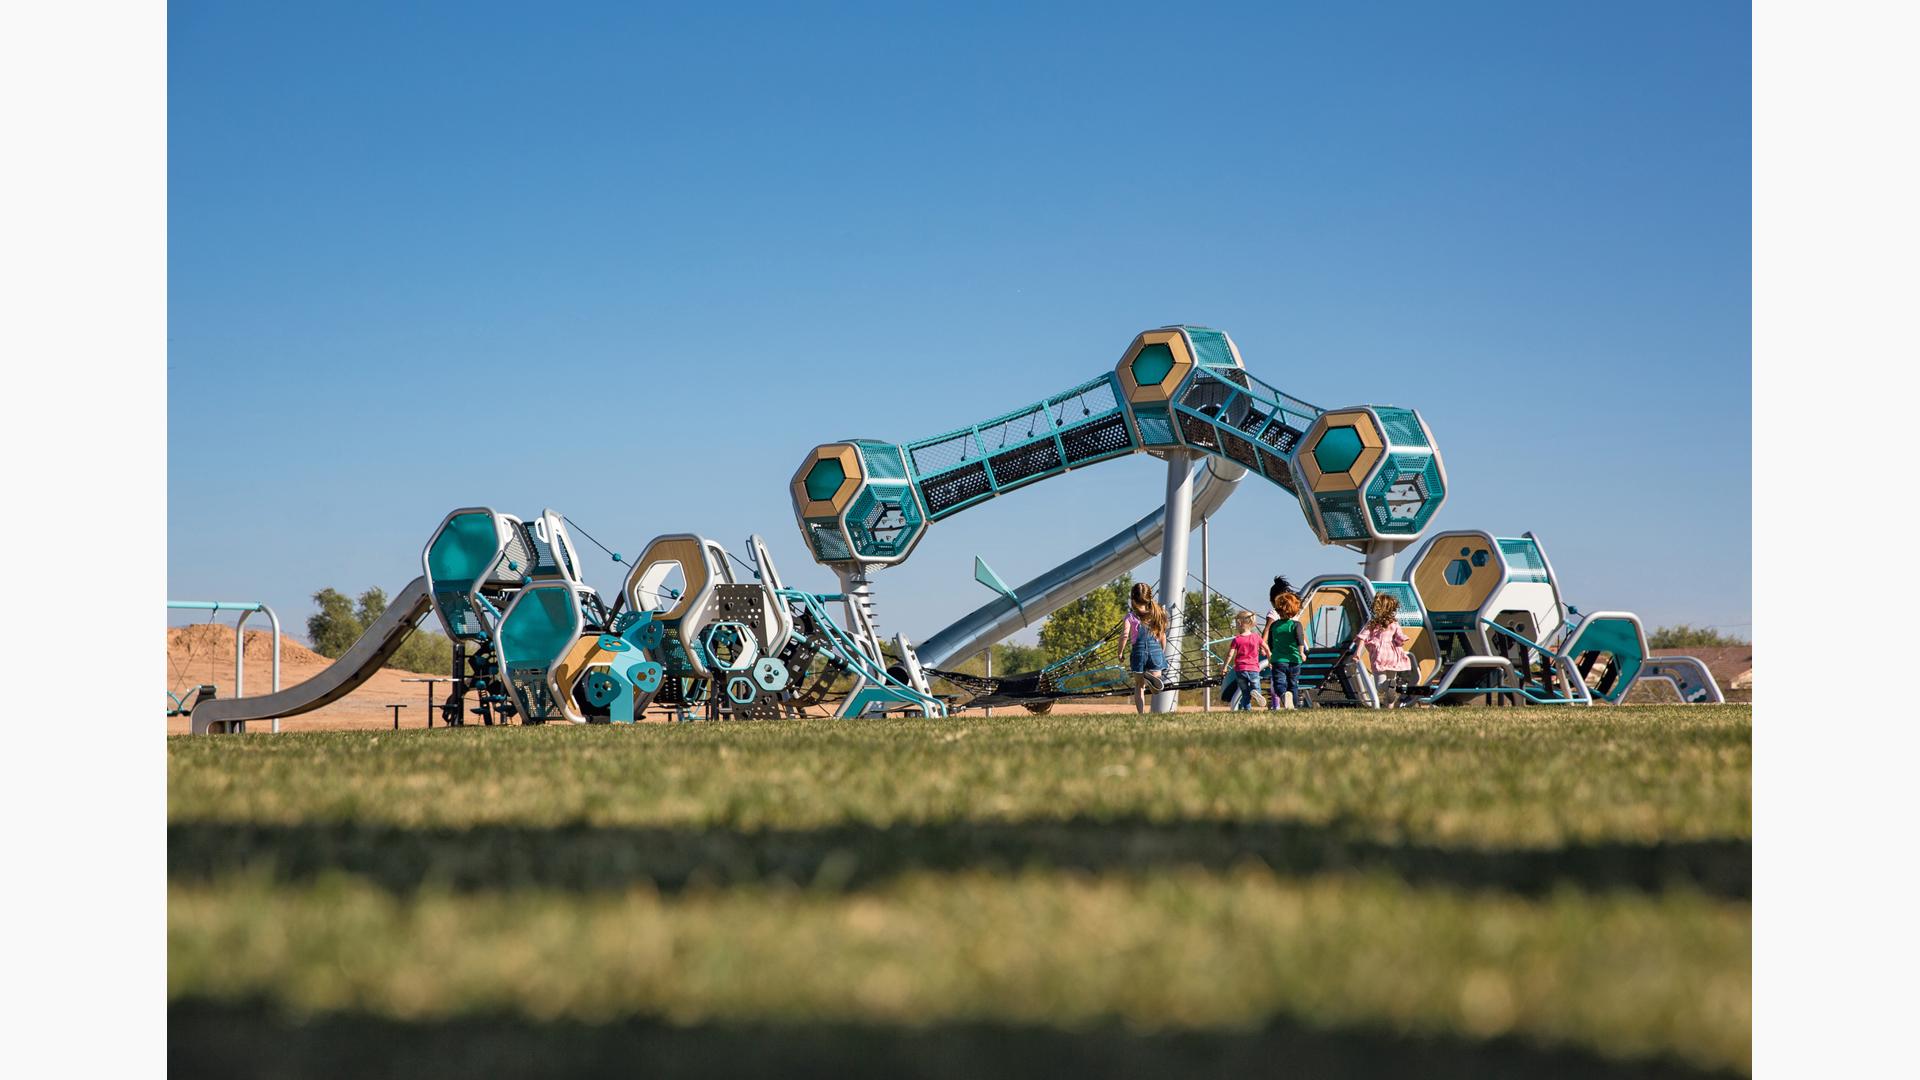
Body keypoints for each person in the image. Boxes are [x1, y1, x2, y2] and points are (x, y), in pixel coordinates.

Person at [1354, 593, 1413, 707]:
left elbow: (1362, 637)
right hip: (1393, 655)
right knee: (1392, 686)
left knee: (1381, 686)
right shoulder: (1394, 623)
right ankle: (1389, 708)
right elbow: (1400, 636)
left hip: (1380, 656)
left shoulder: (1372, 624)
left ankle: (1388, 685)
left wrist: (1357, 653)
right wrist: (1401, 640)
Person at [1123, 581, 1169, 714]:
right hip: (1156, 651)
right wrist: (1162, 652)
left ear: (1132, 599)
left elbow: (1125, 635)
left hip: (1138, 652)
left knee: (1139, 686)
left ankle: (1141, 714)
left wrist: (1120, 653)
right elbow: (1163, 636)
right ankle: (1151, 679)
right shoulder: (1157, 613)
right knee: (1157, 688)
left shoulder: (1130, 616)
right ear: (1150, 597)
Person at [1265, 591, 1306, 709]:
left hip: (1279, 660)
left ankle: (1283, 695)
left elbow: (1271, 644)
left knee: (1279, 684)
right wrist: (1301, 653)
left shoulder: (1274, 625)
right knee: (1293, 684)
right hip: (1294, 660)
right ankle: (1293, 706)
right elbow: (1300, 639)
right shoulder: (1296, 625)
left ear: (1278, 609)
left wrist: (1270, 657)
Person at [1223, 610, 1269, 710]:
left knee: (1244, 692)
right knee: (1256, 687)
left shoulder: (1237, 639)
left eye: (1236, 624)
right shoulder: (1256, 637)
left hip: (1240, 670)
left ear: (1240, 623)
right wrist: (1270, 659)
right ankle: (1256, 692)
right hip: (1253, 669)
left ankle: (1247, 710)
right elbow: (1267, 648)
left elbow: (1230, 654)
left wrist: (1225, 667)